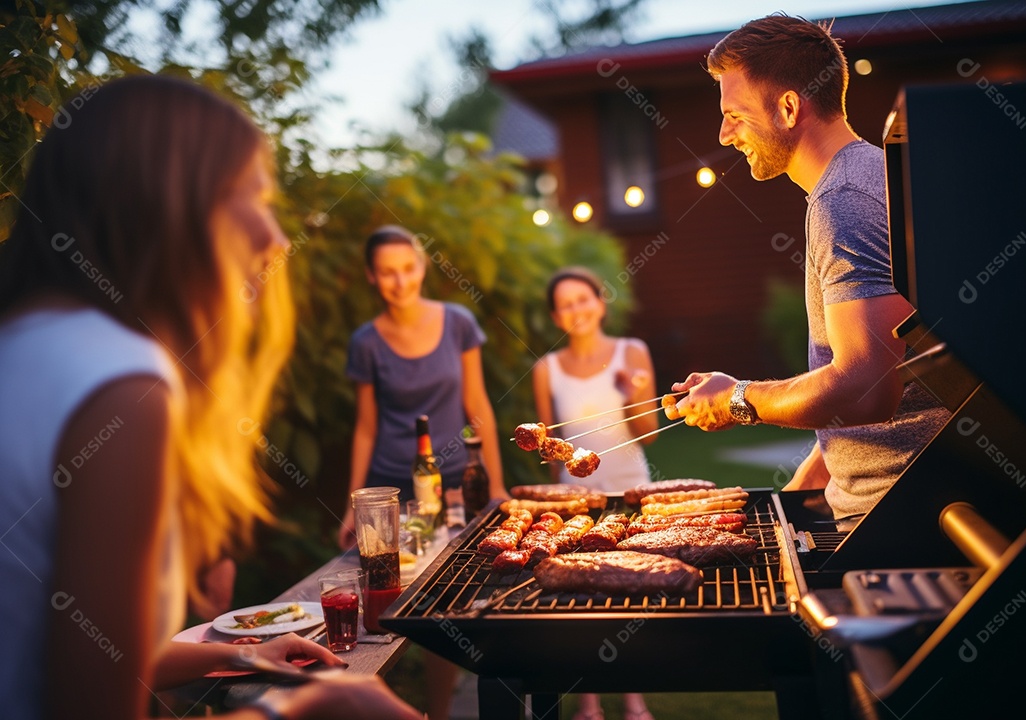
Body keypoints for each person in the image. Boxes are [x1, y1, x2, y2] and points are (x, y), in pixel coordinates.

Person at [0, 75, 422, 720]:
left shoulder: (32, 344)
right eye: (252, 196)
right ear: (171, 204)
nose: (275, 237)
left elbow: (87, 654)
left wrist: (245, 656)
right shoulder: (124, 384)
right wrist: (309, 712)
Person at [669, 14, 950, 524]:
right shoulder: (868, 176)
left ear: (789, 106)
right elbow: (904, 367)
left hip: (899, 513)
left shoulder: (842, 200)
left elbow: (868, 386)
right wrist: (807, 484)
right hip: (887, 499)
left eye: (734, 114)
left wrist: (738, 399)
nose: (725, 133)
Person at [338, 224, 509, 720]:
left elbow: (478, 405)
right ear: (372, 277)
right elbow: (366, 427)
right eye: (387, 272)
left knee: (446, 608)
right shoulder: (366, 342)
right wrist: (356, 503)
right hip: (393, 501)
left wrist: (494, 483)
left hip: (456, 489)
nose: (400, 281)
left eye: (407, 268)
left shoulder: (457, 323)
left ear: (422, 266)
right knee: (383, 611)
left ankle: (436, 711)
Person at [532, 266, 656, 720]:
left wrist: (628, 397)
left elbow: (649, 435)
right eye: (565, 304)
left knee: (630, 593)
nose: (576, 310)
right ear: (556, 316)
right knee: (581, 599)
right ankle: (587, 701)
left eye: (582, 299)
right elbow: (547, 449)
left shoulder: (632, 353)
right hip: (576, 500)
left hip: (630, 490)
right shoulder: (546, 369)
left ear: (600, 302)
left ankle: (632, 698)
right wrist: (552, 456)